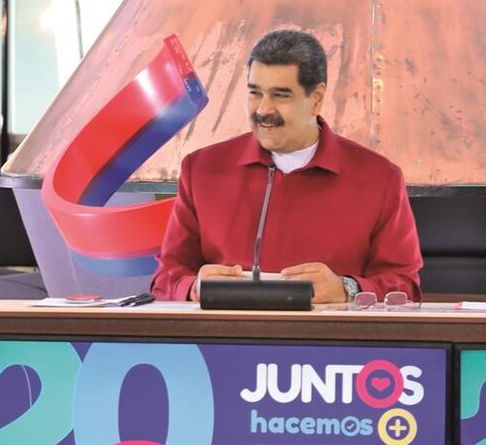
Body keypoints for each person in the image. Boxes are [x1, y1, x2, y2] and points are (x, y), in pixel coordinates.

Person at [151, 30, 422, 303]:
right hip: (220, 342)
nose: (263, 109)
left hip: (331, 343)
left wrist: (346, 289)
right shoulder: (201, 170)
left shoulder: (379, 178)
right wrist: (194, 287)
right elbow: (165, 280)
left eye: (281, 96)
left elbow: (404, 286)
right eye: (255, 93)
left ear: (316, 98)